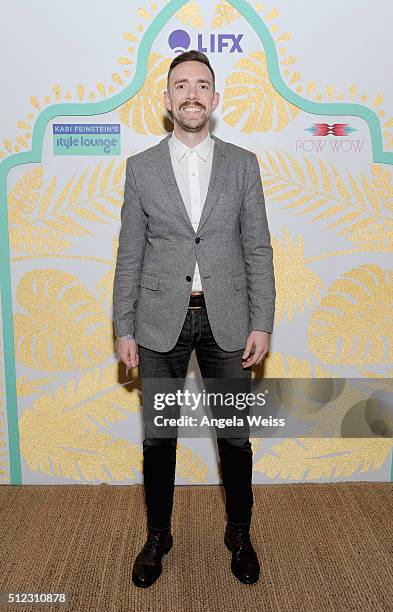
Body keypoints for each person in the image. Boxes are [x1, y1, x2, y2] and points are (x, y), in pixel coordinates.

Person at [113, 50, 276, 588]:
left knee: (234, 438)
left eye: (201, 85)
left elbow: (258, 248)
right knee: (159, 438)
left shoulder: (243, 163)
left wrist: (262, 321)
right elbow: (130, 254)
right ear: (166, 100)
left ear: (215, 98)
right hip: (160, 321)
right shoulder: (140, 168)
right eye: (180, 85)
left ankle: (240, 531)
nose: (191, 94)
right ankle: (158, 534)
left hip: (228, 319)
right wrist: (124, 326)